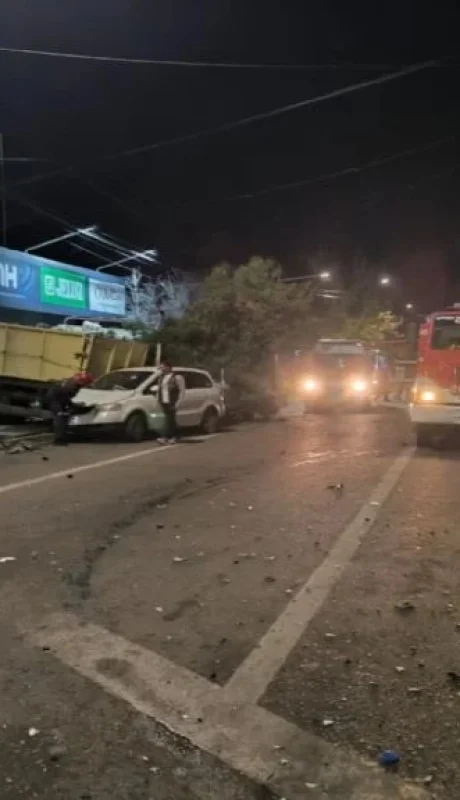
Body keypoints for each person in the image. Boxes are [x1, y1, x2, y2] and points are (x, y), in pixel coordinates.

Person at [46, 371, 93, 444]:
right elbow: (65, 396)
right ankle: (59, 440)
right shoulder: (72, 386)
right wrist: (67, 408)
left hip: (59, 397)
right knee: (60, 416)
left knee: (63, 415)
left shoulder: (72, 381)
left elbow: (67, 397)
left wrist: (71, 405)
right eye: (86, 383)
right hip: (56, 399)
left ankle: (60, 434)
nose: (86, 385)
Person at [157, 361, 184, 444]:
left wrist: (178, 402)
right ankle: (176, 435)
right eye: (160, 367)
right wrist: (158, 399)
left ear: (168, 367)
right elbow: (160, 389)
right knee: (169, 419)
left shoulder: (177, 377)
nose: (161, 369)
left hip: (172, 401)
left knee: (170, 419)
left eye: (162, 367)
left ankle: (168, 437)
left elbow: (182, 390)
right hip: (164, 401)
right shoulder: (161, 377)